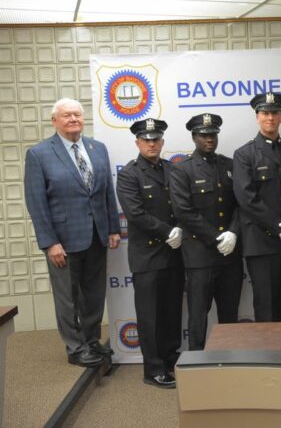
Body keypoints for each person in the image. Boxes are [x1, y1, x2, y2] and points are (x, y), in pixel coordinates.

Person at [24, 98, 120, 367]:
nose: (74, 119)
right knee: (68, 297)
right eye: (67, 115)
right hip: (63, 241)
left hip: (97, 235)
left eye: (77, 114)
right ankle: (75, 348)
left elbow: (106, 192)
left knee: (94, 294)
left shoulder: (97, 149)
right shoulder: (39, 154)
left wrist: (113, 227)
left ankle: (91, 341)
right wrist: (50, 243)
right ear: (54, 121)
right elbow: (36, 202)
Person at [116, 118, 184, 388]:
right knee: (150, 316)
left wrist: (180, 229)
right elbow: (135, 213)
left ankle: (170, 359)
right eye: (146, 140)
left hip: (175, 252)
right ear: (137, 143)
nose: (152, 144)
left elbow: (183, 205)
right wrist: (169, 231)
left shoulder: (172, 169)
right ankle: (153, 369)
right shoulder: (129, 174)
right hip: (148, 256)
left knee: (172, 312)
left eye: (156, 139)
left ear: (162, 142)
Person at [169, 113, 242, 351]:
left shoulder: (229, 165)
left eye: (213, 135)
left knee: (230, 313)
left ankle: (229, 360)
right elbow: (183, 211)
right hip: (200, 255)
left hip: (230, 254)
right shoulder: (182, 169)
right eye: (203, 135)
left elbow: (240, 205)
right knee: (198, 315)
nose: (209, 139)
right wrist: (215, 237)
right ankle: (197, 362)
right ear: (194, 137)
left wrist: (232, 232)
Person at [233, 93, 281, 322]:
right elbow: (247, 198)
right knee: (267, 308)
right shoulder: (244, 154)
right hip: (261, 244)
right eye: (265, 113)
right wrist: (279, 226)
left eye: (275, 113)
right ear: (257, 117)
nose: (270, 117)